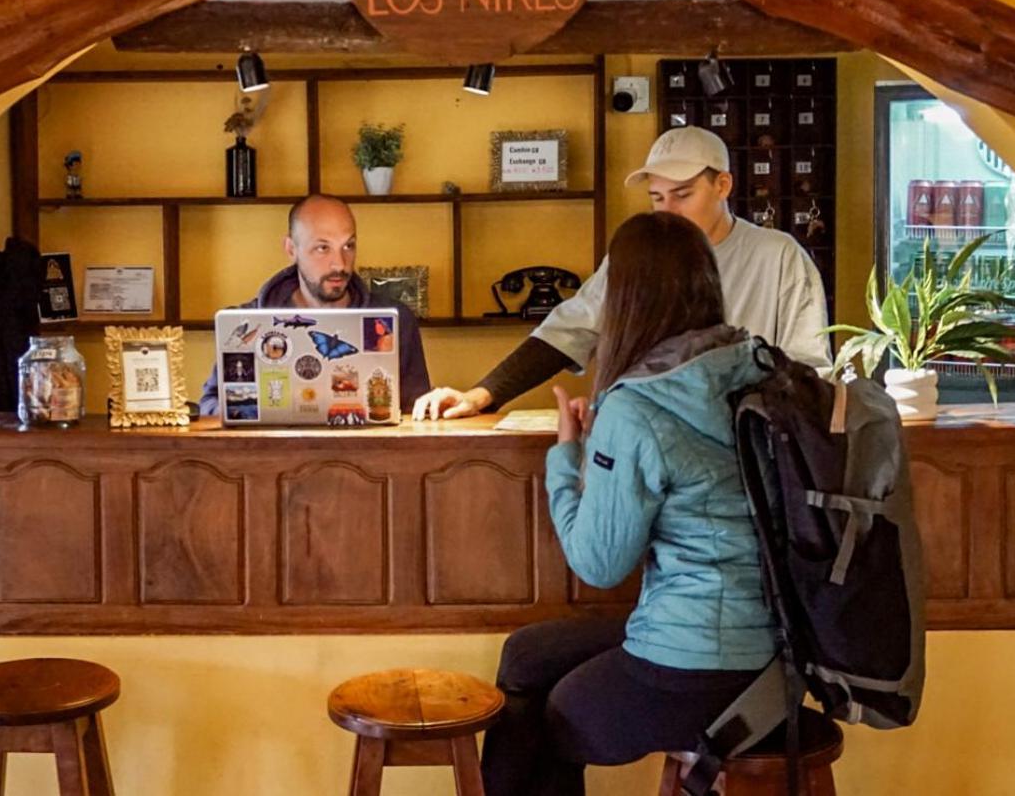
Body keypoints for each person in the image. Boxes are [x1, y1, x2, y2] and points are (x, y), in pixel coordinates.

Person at [479, 211, 778, 796]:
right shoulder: (752, 367)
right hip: (774, 646)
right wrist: (607, 448)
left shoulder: (638, 405)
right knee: (528, 655)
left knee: (550, 719)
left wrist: (568, 456)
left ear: (626, 301)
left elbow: (598, 564)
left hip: (697, 659)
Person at [413, 126, 829, 420]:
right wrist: (483, 394)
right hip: (654, 449)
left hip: (752, 449)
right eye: (657, 198)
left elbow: (810, 370)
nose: (669, 211)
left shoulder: (779, 256)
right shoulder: (639, 256)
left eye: (683, 195)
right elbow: (570, 329)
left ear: (723, 185)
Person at [198, 194, 432, 416]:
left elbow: (415, 410)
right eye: (323, 248)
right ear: (291, 250)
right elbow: (210, 403)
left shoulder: (393, 320)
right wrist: (247, 411)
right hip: (274, 454)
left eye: (348, 246)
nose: (339, 264)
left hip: (365, 455)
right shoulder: (248, 323)